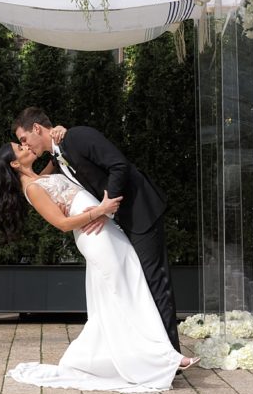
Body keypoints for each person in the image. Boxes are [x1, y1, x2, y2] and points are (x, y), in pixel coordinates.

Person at [0, 141, 198, 393]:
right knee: (125, 295)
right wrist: (100, 210)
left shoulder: (38, 176)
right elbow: (63, 224)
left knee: (130, 290)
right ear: (14, 163)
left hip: (107, 230)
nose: (26, 147)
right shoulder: (31, 188)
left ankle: (117, 357)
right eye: (20, 149)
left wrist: (58, 136)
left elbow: (56, 161)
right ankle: (167, 359)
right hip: (95, 236)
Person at [13, 107, 181, 352]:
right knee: (135, 284)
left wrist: (106, 209)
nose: (25, 146)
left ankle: (171, 356)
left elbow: (119, 165)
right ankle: (149, 352)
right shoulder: (58, 156)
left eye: (24, 139)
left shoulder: (78, 136)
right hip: (116, 224)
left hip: (140, 212)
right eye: (20, 145)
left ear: (37, 128)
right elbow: (41, 179)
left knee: (155, 281)